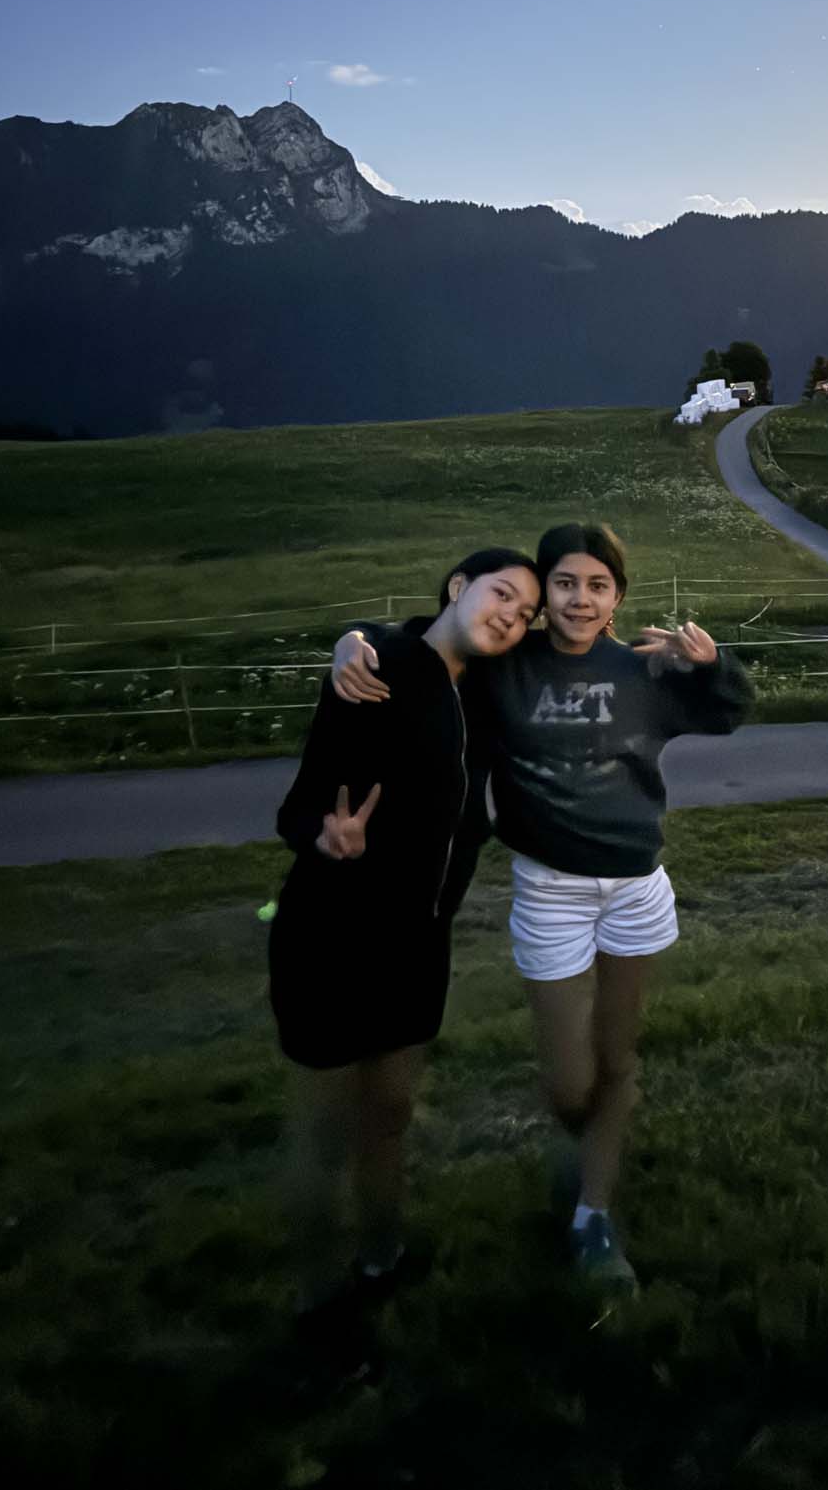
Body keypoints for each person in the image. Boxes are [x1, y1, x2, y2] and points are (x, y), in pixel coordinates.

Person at [330, 522, 751, 1293]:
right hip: (550, 890)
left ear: (617, 596)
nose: (579, 599)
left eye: (597, 585)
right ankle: (589, 1144)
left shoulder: (644, 669)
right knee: (567, 1084)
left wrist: (712, 663)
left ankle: (594, 1213)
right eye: (563, 583)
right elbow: (427, 643)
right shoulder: (507, 667)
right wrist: (353, 640)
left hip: (635, 888)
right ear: (544, 592)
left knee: (617, 1060)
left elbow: (727, 710)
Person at [271, 546, 540, 1383]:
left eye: (524, 610)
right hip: (329, 939)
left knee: (389, 1112)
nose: (512, 614)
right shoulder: (377, 669)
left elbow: (573, 641)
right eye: (502, 593)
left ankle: (382, 1259)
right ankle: (318, 1308)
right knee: (323, 1132)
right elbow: (297, 805)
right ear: (458, 587)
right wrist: (325, 835)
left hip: (420, 945)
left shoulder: (488, 692)